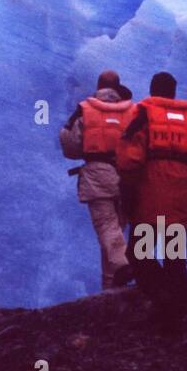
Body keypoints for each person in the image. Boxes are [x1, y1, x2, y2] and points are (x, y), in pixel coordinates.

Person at [118, 73, 187, 330]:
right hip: (181, 200)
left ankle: (164, 298)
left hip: (149, 197)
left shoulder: (143, 116)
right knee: (175, 258)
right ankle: (177, 309)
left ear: (152, 91)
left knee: (138, 254)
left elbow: (130, 160)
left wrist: (127, 197)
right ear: (174, 92)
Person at [60, 70, 136, 290]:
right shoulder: (132, 110)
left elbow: (70, 144)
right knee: (116, 230)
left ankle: (124, 265)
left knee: (106, 226)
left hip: (97, 174)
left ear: (98, 85)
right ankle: (111, 285)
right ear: (118, 86)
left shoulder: (85, 110)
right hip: (125, 174)